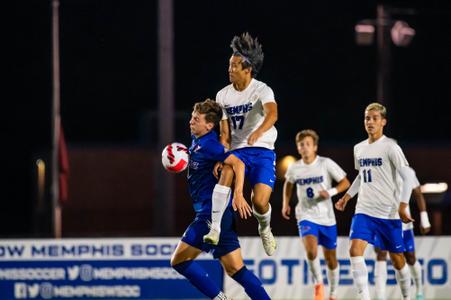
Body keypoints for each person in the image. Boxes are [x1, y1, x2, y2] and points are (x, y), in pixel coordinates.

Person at [171, 99, 270, 300]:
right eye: (192, 117)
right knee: (236, 269)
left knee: (179, 261)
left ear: (209, 125)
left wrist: (240, 193)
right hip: (219, 215)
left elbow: (238, 164)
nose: (191, 121)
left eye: (196, 119)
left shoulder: (209, 145)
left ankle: (220, 299)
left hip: (209, 214)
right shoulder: (198, 142)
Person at [203, 32, 278, 256]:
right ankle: (214, 228)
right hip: (238, 151)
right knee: (226, 172)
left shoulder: (261, 89)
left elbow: (273, 115)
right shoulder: (222, 95)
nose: (230, 69)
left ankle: (265, 228)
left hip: (263, 150)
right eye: (229, 65)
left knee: (260, 203)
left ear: (248, 70)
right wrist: (221, 155)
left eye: (235, 66)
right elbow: (224, 134)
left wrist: (259, 132)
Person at [335, 102, 415, 300]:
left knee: (398, 261)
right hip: (364, 210)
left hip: (388, 213)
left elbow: (409, 175)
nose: (370, 122)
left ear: (383, 122)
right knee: (354, 250)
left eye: (374, 118)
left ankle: (407, 296)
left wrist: (404, 204)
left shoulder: (391, 147)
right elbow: (363, 175)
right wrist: (347, 196)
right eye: (366, 118)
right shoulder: (359, 148)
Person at [282, 129, 350, 300]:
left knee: (331, 259)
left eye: (307, 144)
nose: (304, 147)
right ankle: (318, 285)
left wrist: (331, 191)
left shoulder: (325, 163)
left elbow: (345, 182)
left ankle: (333, 292)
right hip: (305, 215)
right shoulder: (294, 167)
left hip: (327, 218)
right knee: (311, 252)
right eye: (301, 145)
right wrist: (285, 203)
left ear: (315, 147)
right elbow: (288, 185)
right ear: (298, 148)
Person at [374, 167, 431, 300]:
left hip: (403, 224)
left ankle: (419, 291)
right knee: (381, 254)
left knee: (410, 258)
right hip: (382, 221)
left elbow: (417, 193)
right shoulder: (376, 168)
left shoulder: (407, 171)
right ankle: (380, 296)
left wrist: (424, 218)